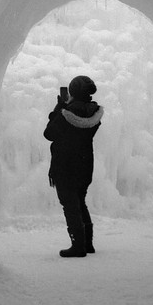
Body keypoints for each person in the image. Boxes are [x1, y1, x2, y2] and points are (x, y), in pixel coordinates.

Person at [44, 75, 104, 257]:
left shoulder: (66, 114)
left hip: (65, 166)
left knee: (70, 205)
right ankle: (87, 243)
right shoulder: (93, 113)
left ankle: (78, 246)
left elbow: (49, 133)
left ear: (73, 91)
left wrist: (59, 108)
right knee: (80, 201)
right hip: (85, 164)